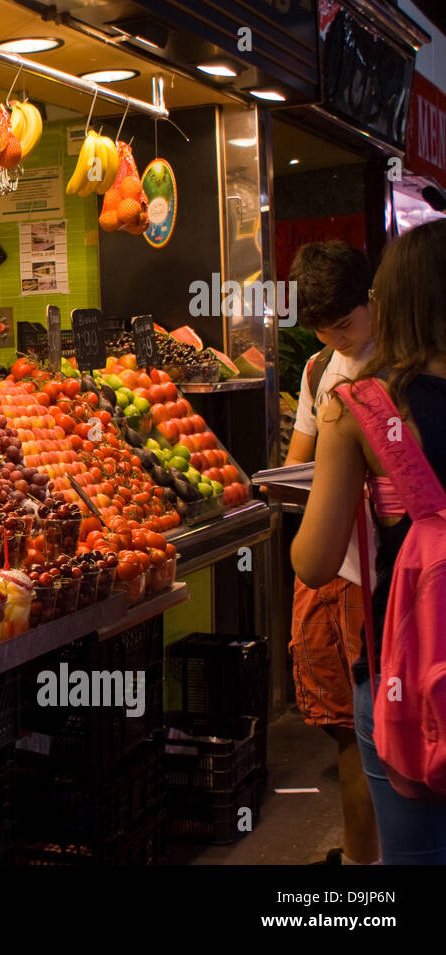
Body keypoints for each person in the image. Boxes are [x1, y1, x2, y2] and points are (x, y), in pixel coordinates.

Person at [292, 218, 446, 864]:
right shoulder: (327, 378)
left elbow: (314, 560)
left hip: (408, 667)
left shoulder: (361, 408)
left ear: (393, 302)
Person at [282, 241, 379, 865]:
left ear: (373, 300)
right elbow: (296, 462)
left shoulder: (401, 366)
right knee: (345, 730)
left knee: (383, 733)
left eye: (343, 323)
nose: (334, 337)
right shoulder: (319, 370)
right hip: (327, 568)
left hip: (381, 577)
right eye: (320, 327)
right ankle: (360, 862)